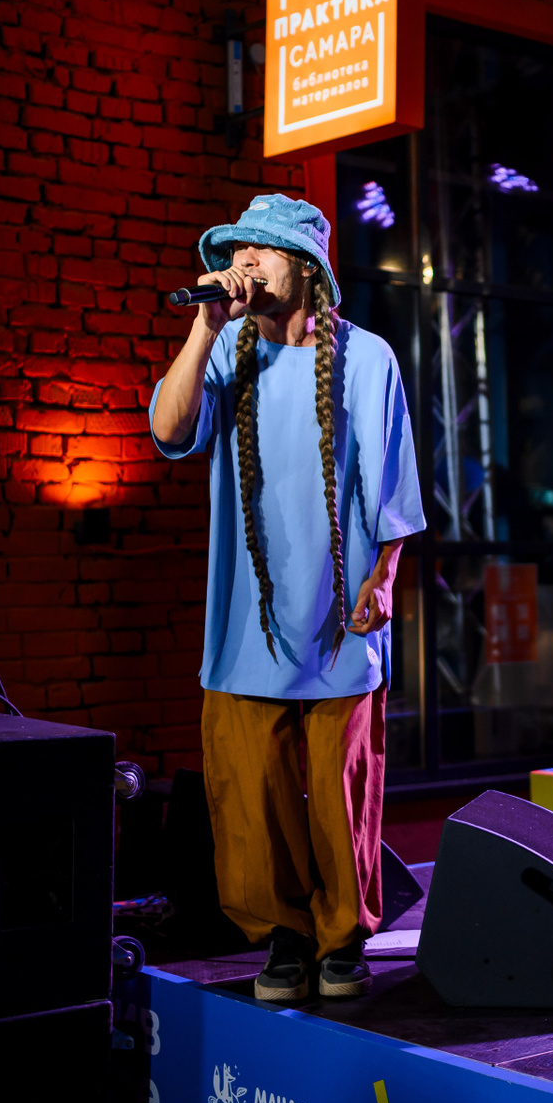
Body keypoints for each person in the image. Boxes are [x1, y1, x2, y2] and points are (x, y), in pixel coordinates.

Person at [150, 194, 424, 1001]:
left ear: (305, 268)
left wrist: (384, 578)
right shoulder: (226, 351)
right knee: (251, 793)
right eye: (236, 250)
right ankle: (282, 936)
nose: (243, 263)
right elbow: (168, 430)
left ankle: (341, 937)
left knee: (340, 791)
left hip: (341, 615)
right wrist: (203, 327)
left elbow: (394, 488)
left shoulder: (366, 358)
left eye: (260, 250)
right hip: (246, 622)